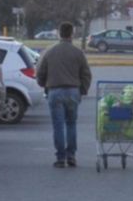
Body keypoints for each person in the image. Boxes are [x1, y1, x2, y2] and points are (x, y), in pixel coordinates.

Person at [36, 22, 92, 168]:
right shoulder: (78, 53)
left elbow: (40, 72)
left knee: (58, 126)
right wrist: (82, 90)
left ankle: (60, 158)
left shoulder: (49, 52)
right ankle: (71, 155)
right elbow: (86, 74)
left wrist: (44, 85)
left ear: (58, 33)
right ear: (72, 34)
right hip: (73, 91)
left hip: (54, 91)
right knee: (71, 124)